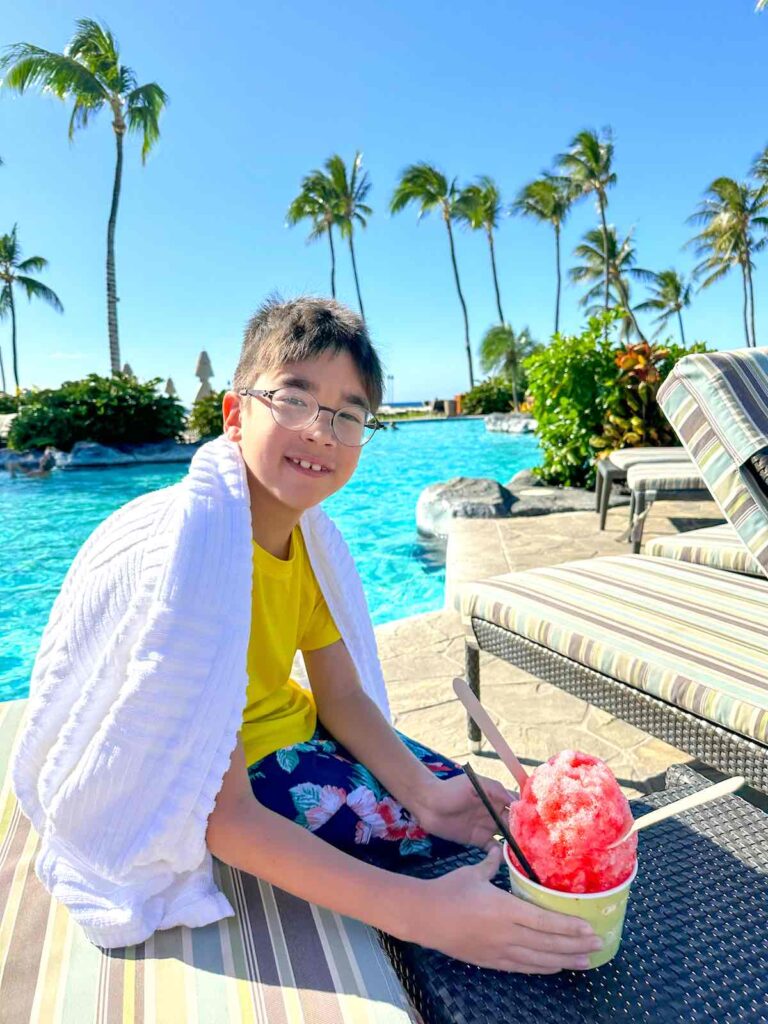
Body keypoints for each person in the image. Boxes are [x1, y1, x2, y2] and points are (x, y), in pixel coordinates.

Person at [10, 297, 600, 971]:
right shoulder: (194, 555)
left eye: (348, 414)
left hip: (298, 732)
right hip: (235, 777)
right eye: (295, 398)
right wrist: (425, 915)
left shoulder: (309, 545)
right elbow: (222, 817)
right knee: (435, 853)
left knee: (468, 806)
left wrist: (428, 794)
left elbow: (343, 698)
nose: (322, 430)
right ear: (235, 416)